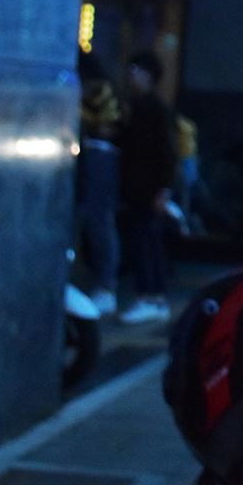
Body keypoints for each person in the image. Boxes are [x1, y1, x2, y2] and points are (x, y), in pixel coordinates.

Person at [117, 50, 179, 325]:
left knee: (145, 242)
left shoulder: (153, 109)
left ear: (148, 76)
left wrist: (163, 189)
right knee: (147, 241)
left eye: (136, 71)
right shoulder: (140, 106)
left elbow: (167, 152)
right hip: (141, 187)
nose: (131, 76)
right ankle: (153, 297)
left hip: (148, 188)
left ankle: (150, 296)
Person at [75, 51, 122, 317]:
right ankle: (100, 282)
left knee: (98, 222)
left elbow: (107, 126)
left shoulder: (101, 92)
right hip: (92, 157)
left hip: (98, 157)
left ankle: (105, 285)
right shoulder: (100, 89)